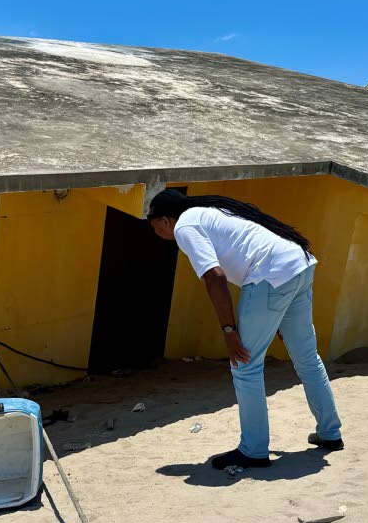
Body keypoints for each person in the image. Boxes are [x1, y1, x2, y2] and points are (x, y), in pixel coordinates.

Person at [147, 188, 343, 470]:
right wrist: (276, 315)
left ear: (165, 220)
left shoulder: (185, 226)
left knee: (245, 365)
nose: (159, 234)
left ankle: (253, 450)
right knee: (307, 358)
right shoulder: (211, 213)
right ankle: (330, 433)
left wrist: (229, 332)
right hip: (297, 265)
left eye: (155, 227)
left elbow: (215, 277)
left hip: (271, 276)